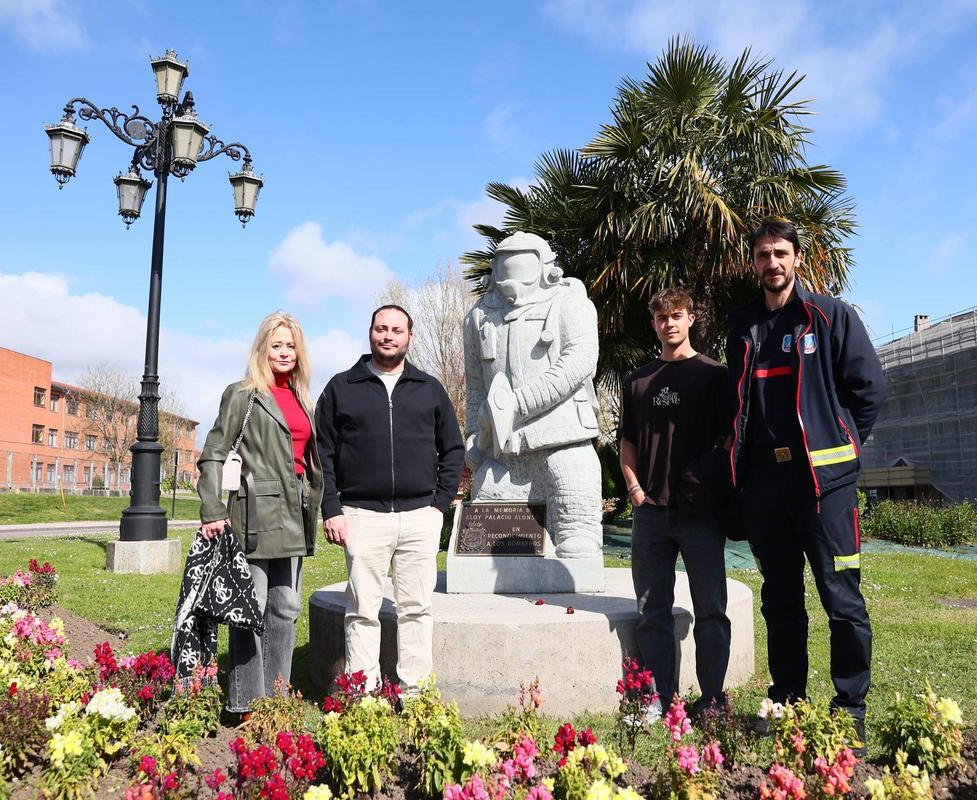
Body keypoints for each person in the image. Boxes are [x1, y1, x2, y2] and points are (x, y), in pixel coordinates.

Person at [725, 219, 885, 750]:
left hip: (825, 485)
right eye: (763, 255)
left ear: (797, 258)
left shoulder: (830, 316)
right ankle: (790, 700)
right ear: (753, 263)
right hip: (766, 486)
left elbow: (869, 389)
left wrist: (841, 446)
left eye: (781, 253)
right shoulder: (742, 326)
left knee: (841, 599)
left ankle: (850, 710)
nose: (772, 263)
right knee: (781, 600)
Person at [315, 304, 464, 694]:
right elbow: (322, 453)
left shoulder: (429, 388)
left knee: (416, 608)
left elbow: (452, 449)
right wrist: (332, 508)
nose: (388, 336)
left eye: (397, 330)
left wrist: (439, 505)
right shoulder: (341, 387)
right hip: (361, 515)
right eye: (382, 328)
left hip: (420, 516)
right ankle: (363, 692)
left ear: (409, 337)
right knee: (363, 609)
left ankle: (415, 693)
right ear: (370, 332)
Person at [196, 311, 324, 718]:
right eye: (277, 345)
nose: (284, 353)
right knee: (249, 608)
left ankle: (277, 698)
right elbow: (214, 452)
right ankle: (247, 703)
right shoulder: (243, 394)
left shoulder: (304, 399)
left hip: (295, 513)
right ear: (262, 349)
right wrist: (213, 508)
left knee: (285, 607)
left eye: (291, 346)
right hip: (252, 515)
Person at [619, 287, 734, 719]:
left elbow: (730, 438)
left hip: (700, 514)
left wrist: (707, 481)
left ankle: (712, 698)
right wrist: (634, 490)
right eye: (662, 317)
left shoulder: (714, 375)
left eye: (677, 315)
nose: (669, 323)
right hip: (651, 514)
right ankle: (658, 699)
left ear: (690, 319)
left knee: (710, 609)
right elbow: (626, 442)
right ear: (654, 324)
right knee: (652, 610)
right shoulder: (639, 382)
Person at [463, 231, 602, 559]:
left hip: (563, 438)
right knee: (485, 547)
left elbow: (579, 360)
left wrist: (518, 404)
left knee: (576, 543)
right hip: (502, 450)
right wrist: (473, 433)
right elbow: (476, 387)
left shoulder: (570, 302)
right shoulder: (479, 316)